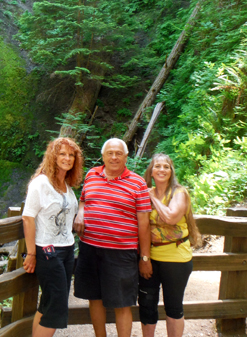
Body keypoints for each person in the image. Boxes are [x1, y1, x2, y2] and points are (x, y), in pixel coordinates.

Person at [73, 138, 152, 337]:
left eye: (118, 153)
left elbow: (144, 224)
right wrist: (80, 213)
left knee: (122, 302)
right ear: (103, 156)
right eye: (110, 153)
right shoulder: (92, 174)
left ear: (126, 157)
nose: (114, 157)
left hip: (121, 253)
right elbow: (83, 200)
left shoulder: (138, 183)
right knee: (94, 298)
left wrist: (144, 258)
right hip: (89, 248)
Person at [22, 137, 83, 337]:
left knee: (49, 301)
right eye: (62, 154)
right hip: (47, 250)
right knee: (57, 305)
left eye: (71, 155)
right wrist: (31, 253)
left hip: (66, 249)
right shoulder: (41, 183)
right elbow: (28, 218)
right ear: (53, 156)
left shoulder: (66, 185)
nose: (67, 158)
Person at [139, 153, 202, 337]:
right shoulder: (145, 193)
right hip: (149, 258)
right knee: (147, 305)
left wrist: (153, 197)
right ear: (151, 171)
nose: (161, 170)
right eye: (157, 166)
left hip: (176, 258)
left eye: (166, 166)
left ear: (171, 171)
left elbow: (170, 217)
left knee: (173, 307)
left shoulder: (179, 192)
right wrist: (144, 258)